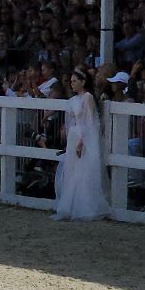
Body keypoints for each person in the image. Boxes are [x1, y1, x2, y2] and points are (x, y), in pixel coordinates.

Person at [52, 68, 110, 221]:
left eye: (75, 81)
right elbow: (71, 121)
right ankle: (71, 206)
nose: (72, 84)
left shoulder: (88, 97)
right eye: (71, 81)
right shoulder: (72, 100)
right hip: (74, 135)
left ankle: (87, 206)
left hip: (85, 137)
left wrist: (81, 142)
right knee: (72, 171)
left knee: (85, 171)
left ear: (83, 82)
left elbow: (91, 122)